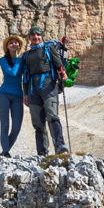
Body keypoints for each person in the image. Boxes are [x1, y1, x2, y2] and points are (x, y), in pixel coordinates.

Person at [22, 26, 68, 156]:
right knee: (37, 122)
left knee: (52, 116)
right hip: (32, 89)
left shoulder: (48, 49)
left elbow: (58, 64)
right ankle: (42, 152)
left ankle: (59, 145)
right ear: (29, 37)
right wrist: (25, 93)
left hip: (48, 86)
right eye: (33, 35)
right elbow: (25, 76)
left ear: (42, 36)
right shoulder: (27, 55)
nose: (35, 37)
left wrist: (62, 73)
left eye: (38, 35)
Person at [0, 35, 26, 157]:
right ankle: (6, 152)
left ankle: (5, 151)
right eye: (11, 43)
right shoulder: (3, 60)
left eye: (16, 43)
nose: (14, 44)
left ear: (19, 45)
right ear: (7, 47)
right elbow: (13, 73)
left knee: (16, 128)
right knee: (5, 126)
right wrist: (19, 59)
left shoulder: (23, 60)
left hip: (18, 96)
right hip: (4, 95)